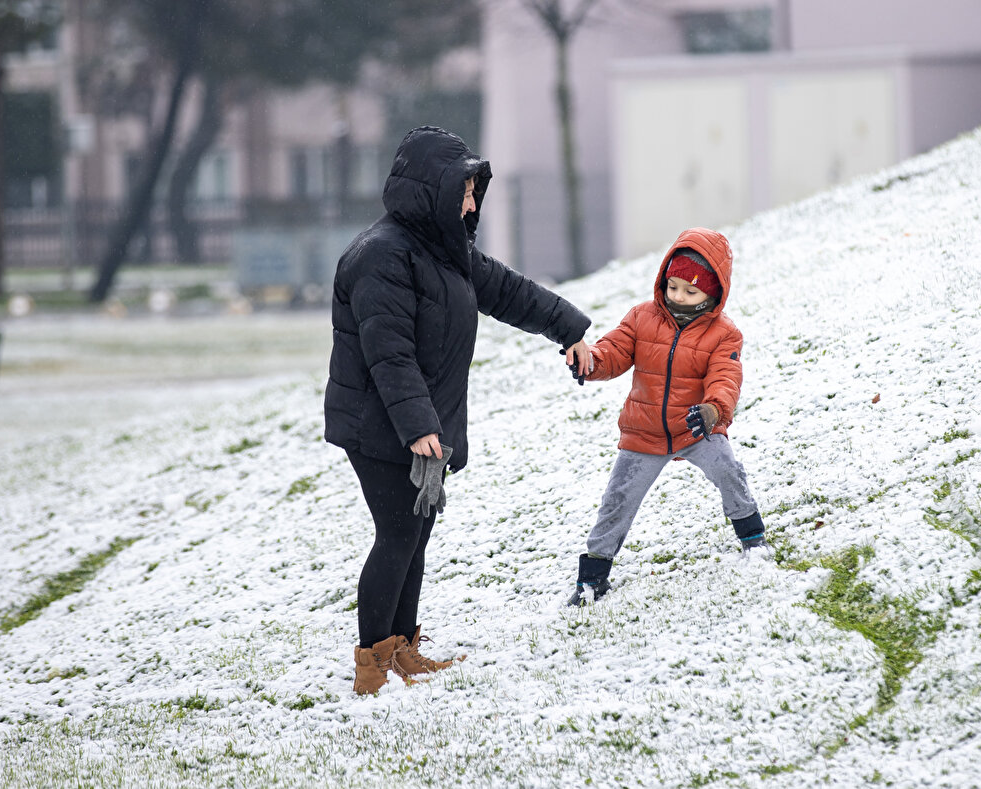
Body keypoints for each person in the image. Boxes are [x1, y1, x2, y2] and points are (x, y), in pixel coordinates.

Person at [324, 126, 593, 694]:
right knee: (397, 533)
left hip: (417, 425)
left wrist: (569, 329)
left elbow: (514, 293)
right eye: (464, 191)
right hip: (380, 425)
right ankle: (371, 667)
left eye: (474, 191)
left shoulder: (444, 252)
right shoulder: (381, 258)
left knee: (414, 534)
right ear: (432, 190)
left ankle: (401, 652)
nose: (472, 202)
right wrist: (419, 425)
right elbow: (388, 352)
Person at [564, 227, 766, 607]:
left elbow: (726, 377)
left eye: (691, 291)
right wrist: (591, 362)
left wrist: (713, 410)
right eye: (673, 287)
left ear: (714, 291)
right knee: (618, 501)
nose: (679, 297)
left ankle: (752, 537)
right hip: (645, 432)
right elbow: (615, 351)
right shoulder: (643, 317)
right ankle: (592, 578)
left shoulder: (724, 334)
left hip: (696, 426)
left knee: (728, 471)